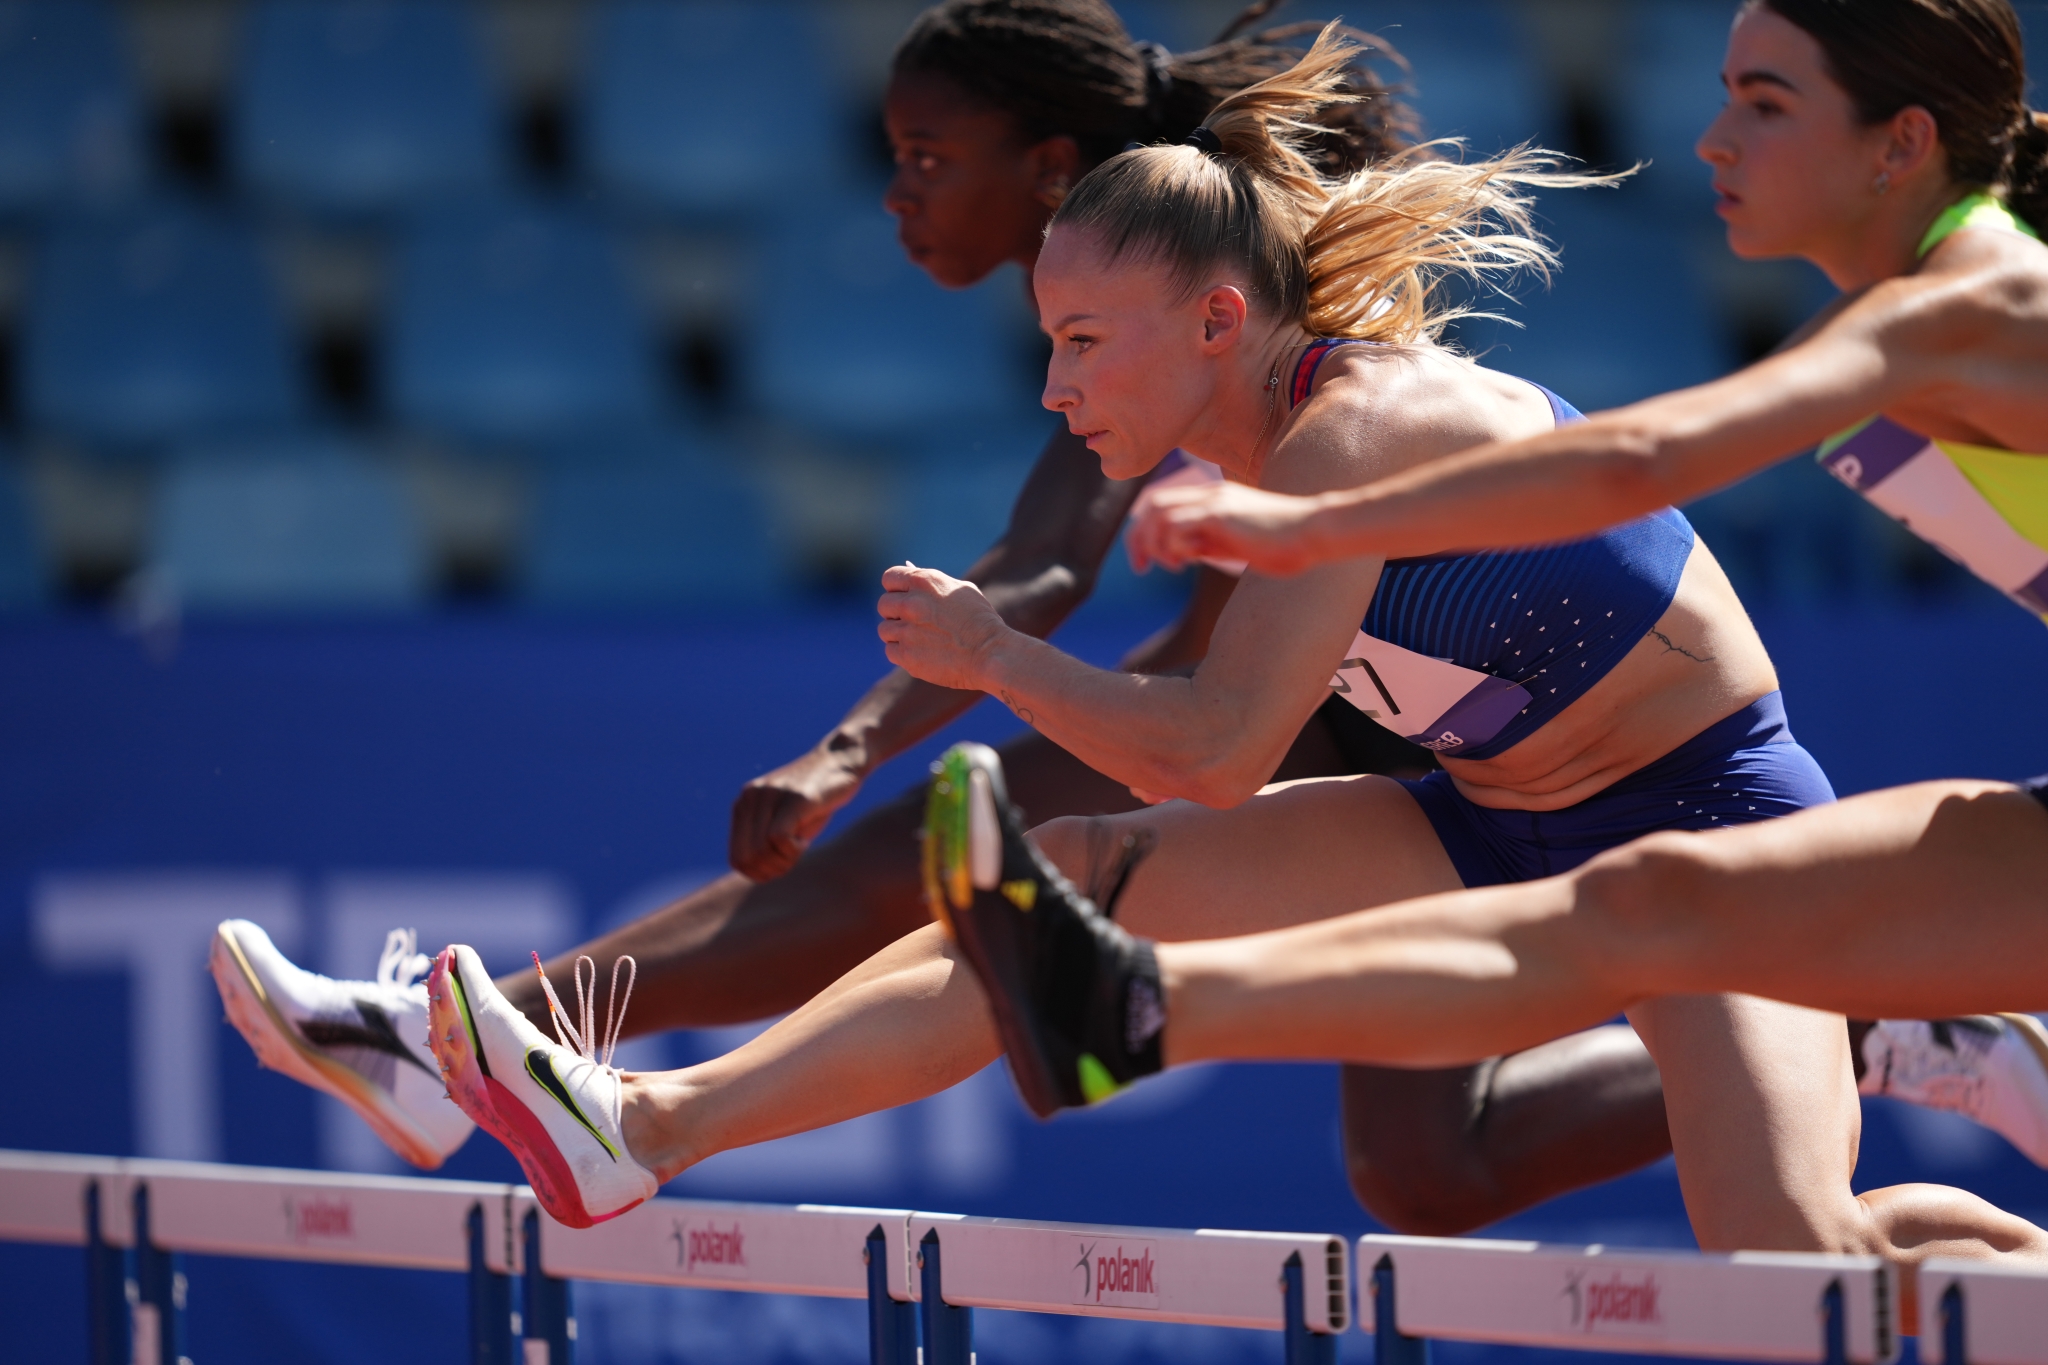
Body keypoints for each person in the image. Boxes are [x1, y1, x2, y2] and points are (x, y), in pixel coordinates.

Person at [211, 0, 1747, 1234]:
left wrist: (915, 712)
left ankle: (1855, 1001)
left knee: (975, 852)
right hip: (1448, 769)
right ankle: (610, 1111)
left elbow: (1096, 625)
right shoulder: (1141, 327)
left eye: (930, 153)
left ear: (1055, 165)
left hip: (1544, 771)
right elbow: (1064, 571)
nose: (897, 191)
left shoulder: (1256, 365)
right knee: (1409, 1163)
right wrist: (893, 722)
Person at [936, 0, 2048, 1324]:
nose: (1709, 138)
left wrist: (1307, 525)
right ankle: (1123, 1002)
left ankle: (1144, 1001)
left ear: (1899, 142)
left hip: (1700, 762)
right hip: (1690, 806)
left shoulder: (1967, 311)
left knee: (1648, 958)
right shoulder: (1911, 317)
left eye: (1764, 100)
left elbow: (1638, 464)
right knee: (1770, 1212)